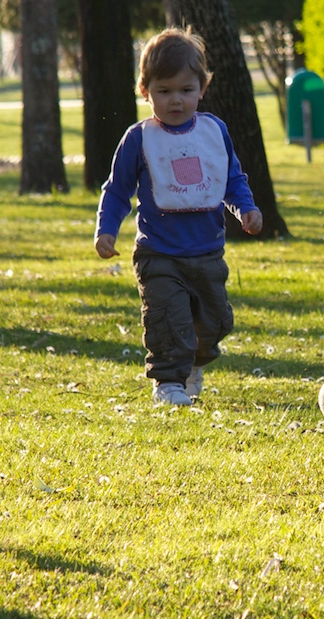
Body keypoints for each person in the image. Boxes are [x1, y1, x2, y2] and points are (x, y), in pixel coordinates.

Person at [95, 27, 263, 406]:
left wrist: (246, 210)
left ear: (202, 88)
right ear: (145, 91)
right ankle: (168, 383)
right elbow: (118, 189)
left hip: (207, 252)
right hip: (159, 252)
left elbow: (231, 179)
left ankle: (192, 365)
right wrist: (106, 230)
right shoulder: (139, 139)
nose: (175, 100)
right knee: (167, 319)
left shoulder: (213, 131)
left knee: (216, 323)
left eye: (186, 90)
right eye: (164, 91)